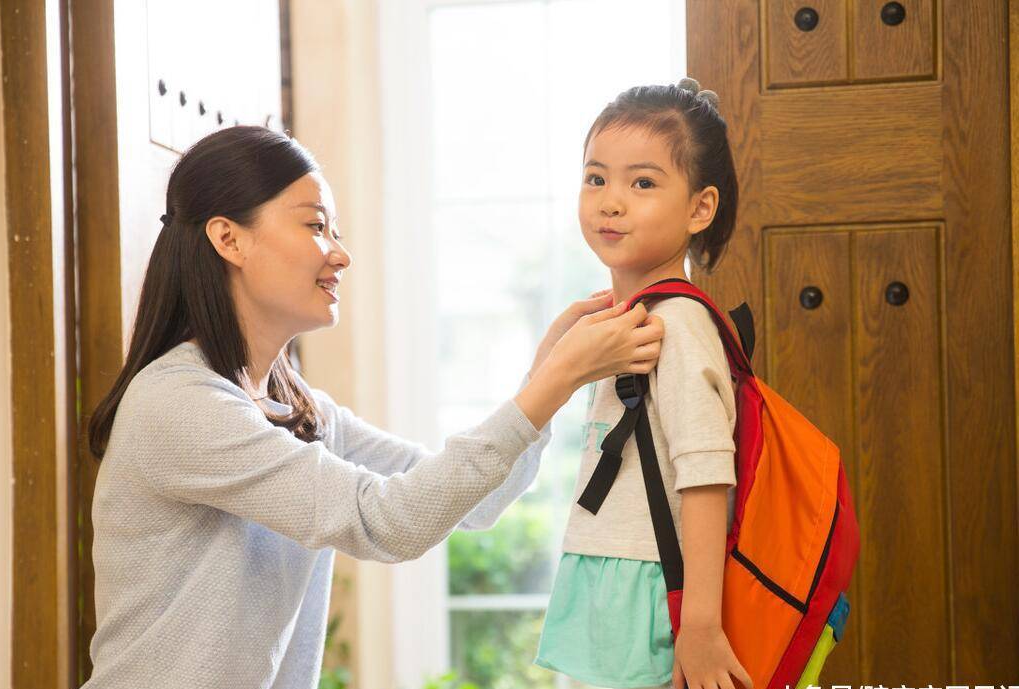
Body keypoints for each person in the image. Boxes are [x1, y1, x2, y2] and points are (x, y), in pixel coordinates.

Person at [80, 125, 664, 689]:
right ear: (229, 238)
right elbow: (386, 521)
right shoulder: (179, 404)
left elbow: (472, 501)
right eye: (316, 226)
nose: (340, 254)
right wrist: (558, 380)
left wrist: (545, 373)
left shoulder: (299, 411)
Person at [534, 79, 754, 689]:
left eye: (643, 183)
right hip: (616, 581)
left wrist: (701, 626)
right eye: (596, 177)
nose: (610, 201)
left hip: (656, 591)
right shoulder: (630, 321)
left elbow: (708, 476)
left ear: (699, 208)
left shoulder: (677, 325)